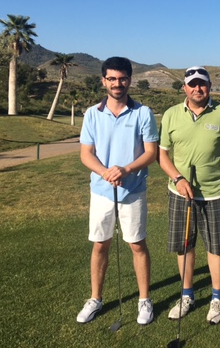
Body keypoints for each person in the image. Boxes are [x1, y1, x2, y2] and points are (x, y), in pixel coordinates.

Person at [159, 66, 220, 325]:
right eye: (192, 84)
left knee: (216, 247)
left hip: (214, 193)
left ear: (210, 86)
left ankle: (217, 298)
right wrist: (178, 178)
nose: (198, 88)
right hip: (180, 192)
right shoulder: (171, 114)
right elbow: (162, 154)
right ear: (184, 88)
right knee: (184, 246)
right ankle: (187, 295)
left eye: (202, 84)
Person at [76, 56, 159, 326]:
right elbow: (86, 154)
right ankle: (95, 298)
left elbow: (151, 153)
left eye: (122, 79)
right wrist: (105, 173)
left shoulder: (143, 113)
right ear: (103, 81)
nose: (117, 84)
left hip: (133, 190)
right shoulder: (92, 113)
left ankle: (144, 300)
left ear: (130, 80)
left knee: (137, 244)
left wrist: (126, 170)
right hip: (101, 190)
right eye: (111, 79)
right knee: (100, 244)